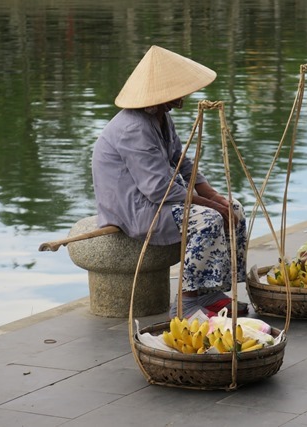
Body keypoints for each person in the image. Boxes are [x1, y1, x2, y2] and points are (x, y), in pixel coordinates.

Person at [91, 45, 248, 319]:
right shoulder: (133, 128)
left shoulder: (161, 118)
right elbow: (157, 188)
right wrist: (209, 206)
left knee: (233, 208)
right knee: (208, 219)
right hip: (137, 211)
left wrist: (212, 194)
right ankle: (186, 300)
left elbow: (180, 160)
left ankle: (210, 290)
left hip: (158, 202)